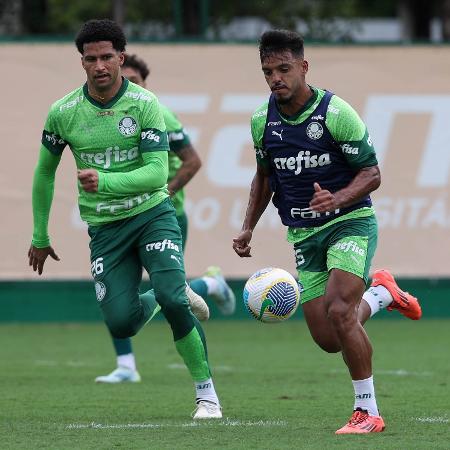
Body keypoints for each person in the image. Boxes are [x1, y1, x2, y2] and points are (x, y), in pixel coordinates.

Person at [28, 18, 222, 419]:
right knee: (122, 322)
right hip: (105, 229)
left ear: (120, 56)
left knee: (170, 298)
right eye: (90, 59)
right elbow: (44, 173)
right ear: (81, 62)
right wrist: (40, 234)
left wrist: (105, 179)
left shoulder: (145, 105)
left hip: (152, 215)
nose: (99, 66)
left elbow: (155, 174)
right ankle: (181, 290)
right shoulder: (63, 112)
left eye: (106, 57)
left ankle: (206, 395)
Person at [232, 29, 422, 434]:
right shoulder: (261, 121)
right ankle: (383, 292)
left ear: (303, 67)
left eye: (284, 69)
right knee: (329, 337)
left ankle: (367, 412)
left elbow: (372, 174)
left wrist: (337, 199)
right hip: (303, 233)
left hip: (349, 223)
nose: (276, 78)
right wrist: (248, 225)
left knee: (339, 310)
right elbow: (264, 177)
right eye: (268, 71)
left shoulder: (335, 113)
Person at [95, 53, 235, 384]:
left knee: (168, 291)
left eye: (135, 81)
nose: (128, 86)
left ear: (145, 85)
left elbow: (192, 161)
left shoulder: (161, 116)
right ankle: (126, 365)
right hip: (117, 219)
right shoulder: (104, 119)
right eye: (124, 80)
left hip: (163, 216)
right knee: (115, 292)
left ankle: (211, 283)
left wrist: (165, 192)